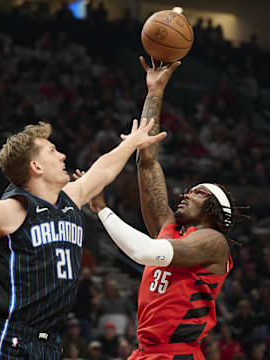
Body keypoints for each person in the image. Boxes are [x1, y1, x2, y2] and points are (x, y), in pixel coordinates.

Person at [0, 119, 166, 360]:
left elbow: (106, 167)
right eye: (53, 151)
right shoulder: (12, 209)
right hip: (5, 341)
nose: (62, 156)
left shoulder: (71, 198)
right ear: (36, 167)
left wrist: (132, 142)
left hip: (48, 344)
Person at [88, 56, 249, 360]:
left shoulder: (214, 243)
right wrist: (155, 92)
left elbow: (144, 253)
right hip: (146, 352)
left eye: (198, 193)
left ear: (214, 210)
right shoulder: (173, 229)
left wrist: (103, 211)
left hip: (177, 354)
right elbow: (146, 159)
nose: (186, 193)